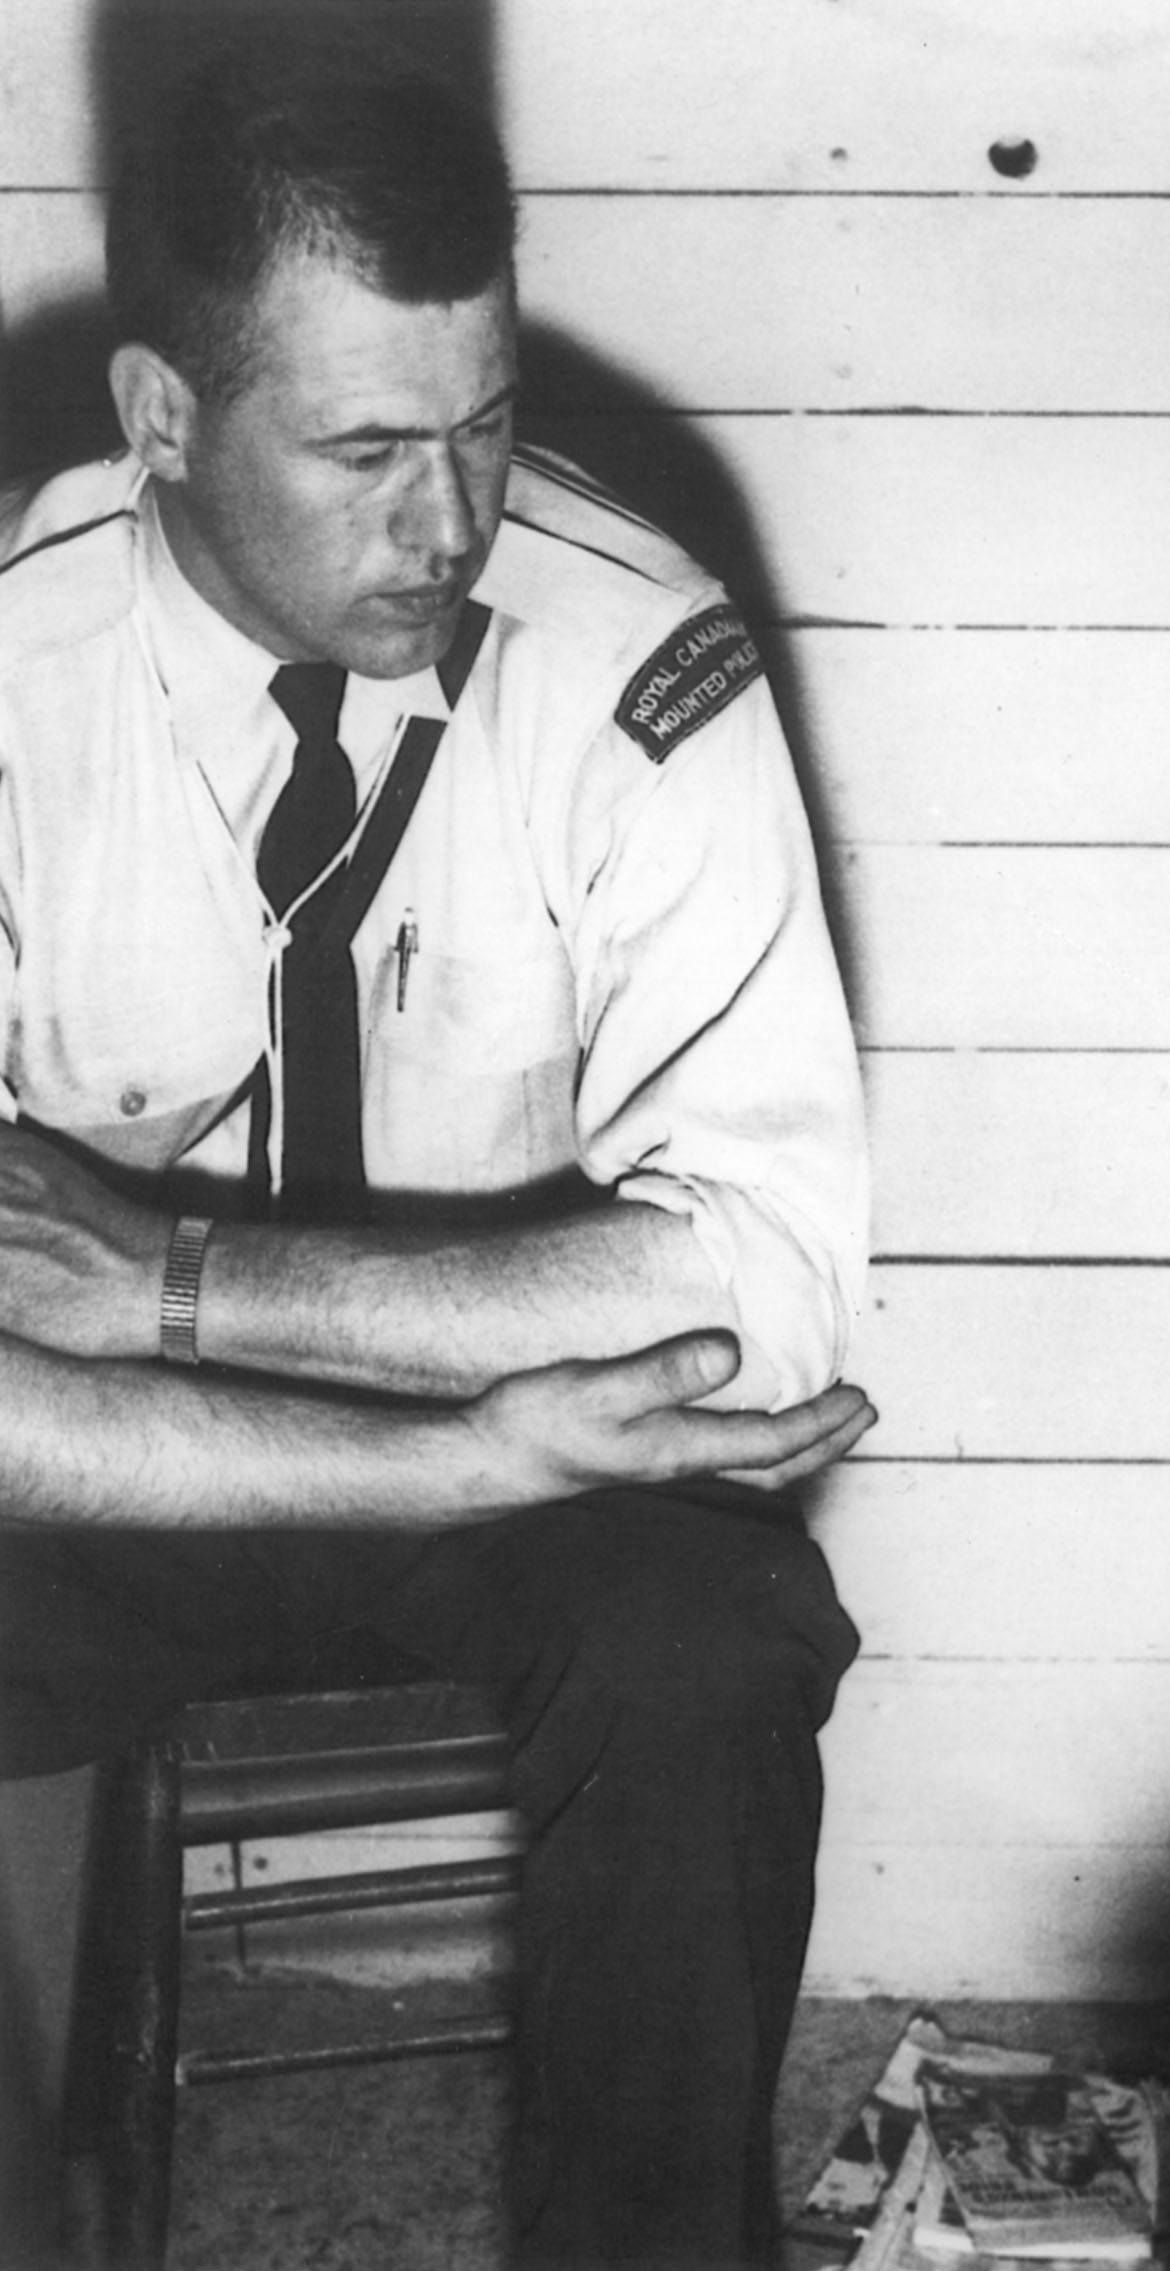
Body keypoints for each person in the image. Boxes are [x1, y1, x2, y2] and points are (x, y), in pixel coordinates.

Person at [0, 31, 873, 2269]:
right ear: (162, 421)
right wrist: (453, 1431)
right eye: (370, 446)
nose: (455, 522)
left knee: (715, 1635)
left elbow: (762, 1271)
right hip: (132, 1477)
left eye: (483, 424)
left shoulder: (633, 646)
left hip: (538, 1467)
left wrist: (190, 1279)